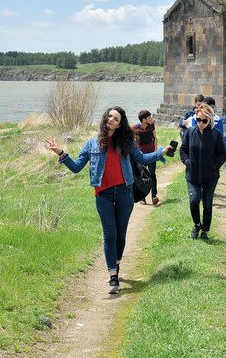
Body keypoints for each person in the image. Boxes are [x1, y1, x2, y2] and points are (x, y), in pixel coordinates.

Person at [47, 107, 171, 294]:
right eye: (110, 116)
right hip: (103, 195)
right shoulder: (91, 144)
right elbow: (76, 167)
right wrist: (61, 153)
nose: (111, 119)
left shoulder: (126, 143)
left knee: (120, 235)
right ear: (105, 118)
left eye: (116, 118)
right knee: (109, 235)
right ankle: (113, 275)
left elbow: (143, 158)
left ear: (120, 124)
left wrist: (161, 152)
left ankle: (117, 262)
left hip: (125, 193)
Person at [180, 103, 226, 240]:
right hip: (192, 175)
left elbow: (222, 154)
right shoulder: (190, 132)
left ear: (210, 120)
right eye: (198, 120)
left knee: (207, 203)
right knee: (194, 201)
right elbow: (183, 150)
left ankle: (205, 230)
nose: (201, 123)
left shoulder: (216, 134)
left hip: (210, 177)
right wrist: (187, 162)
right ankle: (197, 224)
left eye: (204, 121)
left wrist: (214, 166)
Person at [132, 109, 159, 206]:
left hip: (151, 154)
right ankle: (142, 198)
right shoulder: (135, 128)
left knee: (152, 174)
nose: (151, 119)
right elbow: (132, 140)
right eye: (149, 117)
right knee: (141, 176)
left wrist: (155, 152)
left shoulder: (151, 126)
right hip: (140, 156)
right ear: (143, 120)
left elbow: (155, 138)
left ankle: (154, 196)